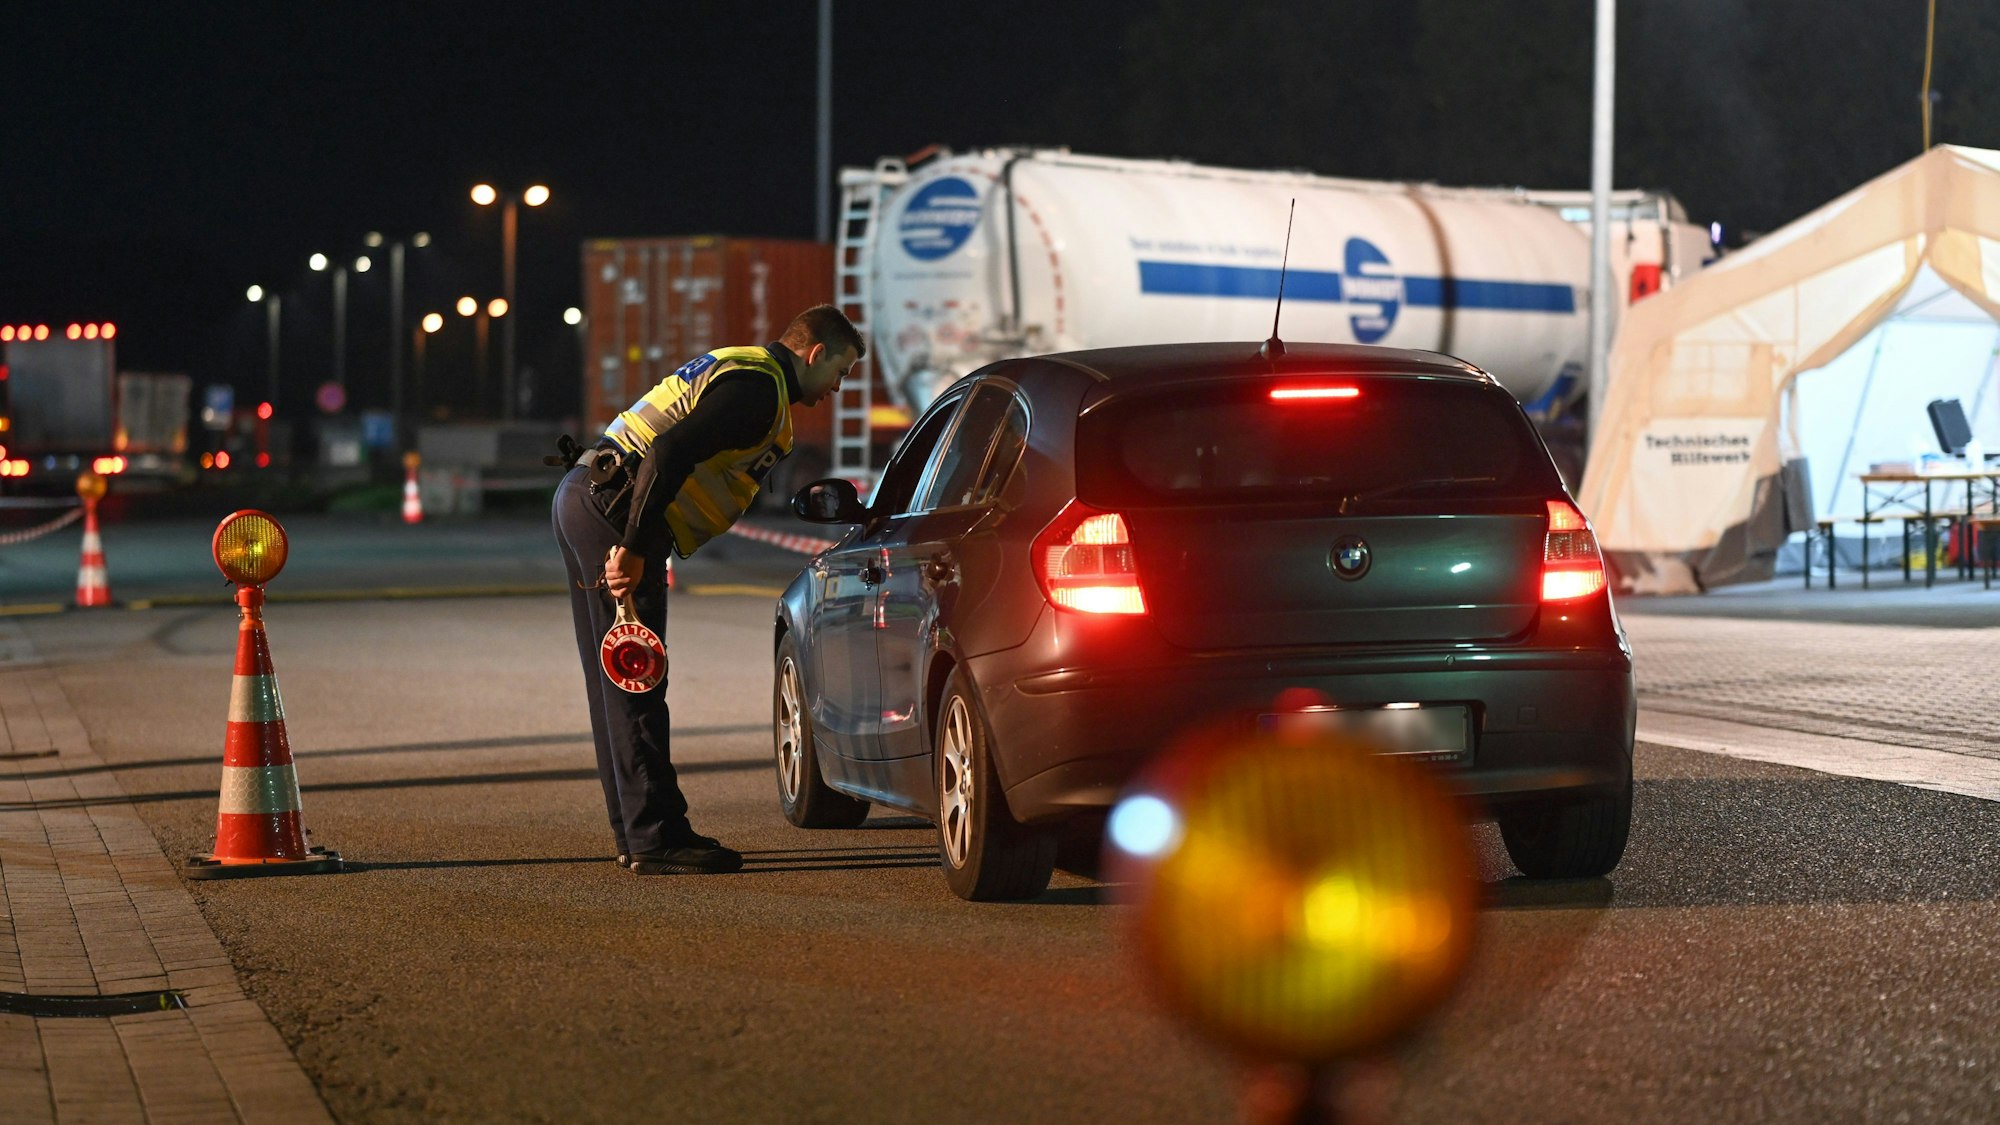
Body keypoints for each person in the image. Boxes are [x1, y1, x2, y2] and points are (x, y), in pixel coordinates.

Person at [552, 305, 863, 875]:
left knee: (615, 682)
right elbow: (668, 453)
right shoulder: (760, 391)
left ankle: (635, 832)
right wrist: (634, 547)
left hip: (591, 493)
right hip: (617, 510)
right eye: (839, 372)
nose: (837, 388)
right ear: (815, 353)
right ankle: (656, 837)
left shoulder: (745, 369)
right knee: (637, 677)